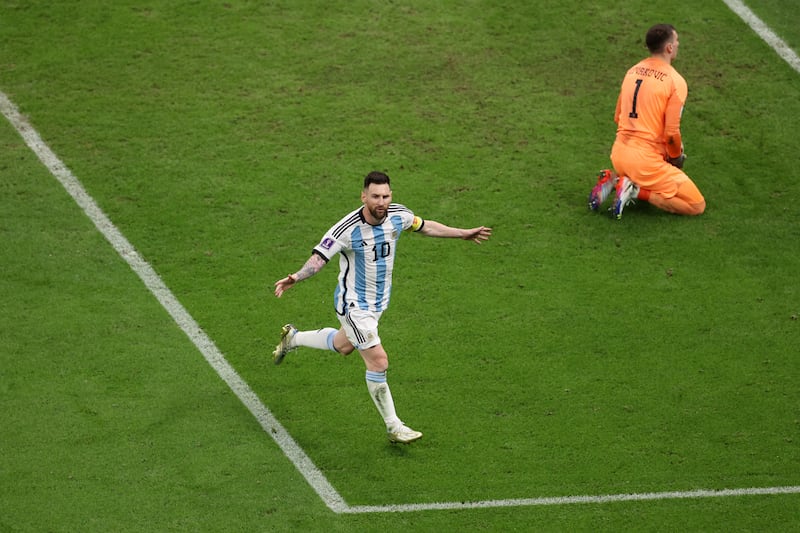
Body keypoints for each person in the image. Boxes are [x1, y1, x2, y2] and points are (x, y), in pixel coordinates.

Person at [272, 171, 492, 444]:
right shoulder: (346, 229)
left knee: (344, 345)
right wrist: (296, 276)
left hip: (378, 304)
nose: (381, 201)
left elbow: (426, 226)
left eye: (386, 196)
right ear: (363, 196)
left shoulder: (398, 216)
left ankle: (293, 337)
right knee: (378, 361)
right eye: (375, 196)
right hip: (354, 305)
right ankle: (394, 426)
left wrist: (462, 234)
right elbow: (319, 258)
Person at [587, 23, 706, 219]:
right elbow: (671, 134)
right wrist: (675, 157)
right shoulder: (676, 81)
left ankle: (616, 178)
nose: (677, 45)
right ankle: (633, 190)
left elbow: (618, 116)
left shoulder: (632, 71)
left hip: (619, 153)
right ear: (669, 48)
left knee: (646, 163)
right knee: (695, 204)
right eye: (676, 42)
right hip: (645, 163)